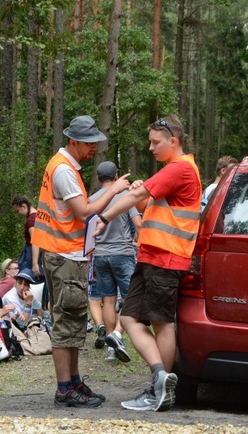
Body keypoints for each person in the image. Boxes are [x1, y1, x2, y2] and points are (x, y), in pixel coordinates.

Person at [95, 115, 202, 412]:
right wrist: (139, 194)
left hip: (165, 258)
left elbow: (140, 196)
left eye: (156, 143)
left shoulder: (180, 168)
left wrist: (103, 217)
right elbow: (149, 204)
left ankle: (159, 391)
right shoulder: (175, 170)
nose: (151, 148)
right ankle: (159, 378)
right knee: (129, 319)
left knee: (162, 322)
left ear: (174, 141)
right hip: (152, 256)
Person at [30, 114, 130, 409]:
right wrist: (113, 190)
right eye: (89, 144)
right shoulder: (63, 170)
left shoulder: (64, 166)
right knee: (66, 321)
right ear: (73, 141)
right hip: (65, 255)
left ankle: (73, 381)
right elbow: (84, 211)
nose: (93, 150)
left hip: (66, 253)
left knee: (75, 318)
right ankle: (64, 389)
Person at [88, 161, 143, 363]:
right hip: (123, 252)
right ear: (117, 176)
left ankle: (111, 349)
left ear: (98, 177)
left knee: (108, 299)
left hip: (100, 255)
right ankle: (117, 334)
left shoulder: (91, 199)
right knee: (131, 296)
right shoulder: (125, 196)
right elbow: (137, 224)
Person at [11, 195, 42, 276]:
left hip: (32, 254)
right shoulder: (39, 215)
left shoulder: (31, 220)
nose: (18, 214)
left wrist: (34, 263)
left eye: (17, 211)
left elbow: (35, 241)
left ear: (23, 206)